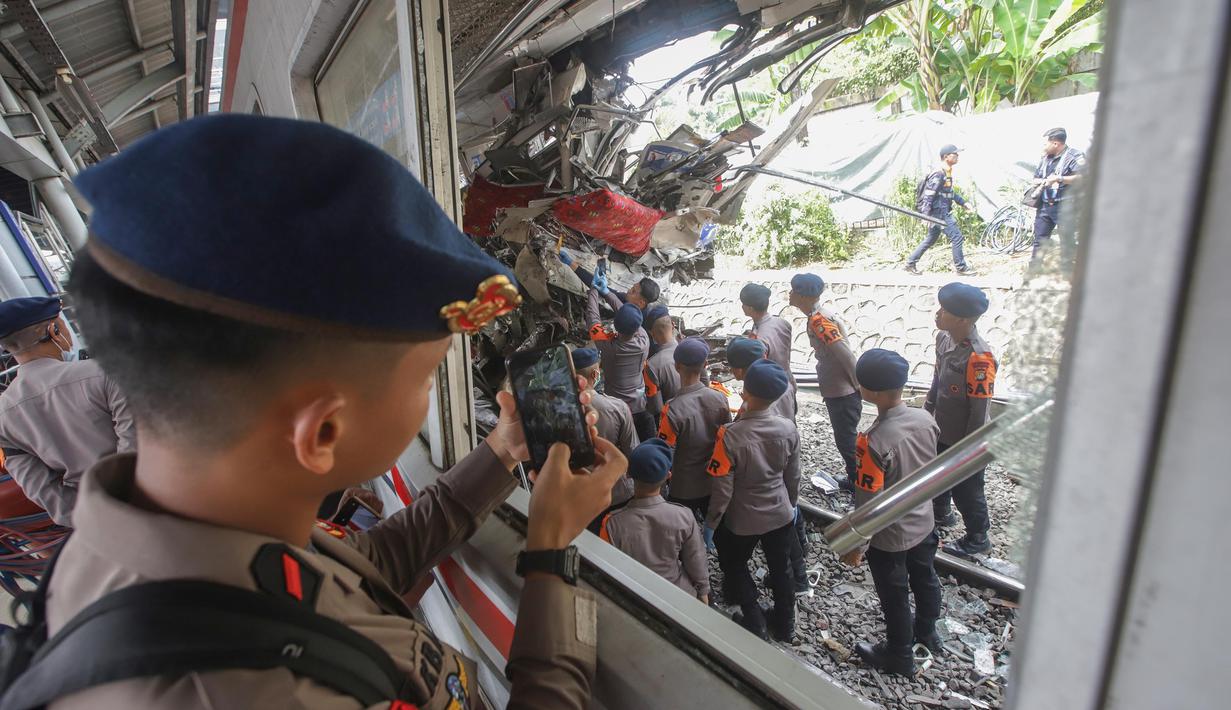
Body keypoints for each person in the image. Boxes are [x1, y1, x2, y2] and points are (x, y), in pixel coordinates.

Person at [30, 115, 629, 708]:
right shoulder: (262, 691)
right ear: (322, 432)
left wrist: (502, 450)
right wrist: (550, 551)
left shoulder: (189, 532)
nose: (430, 392)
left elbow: (355, 574)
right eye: (426, 377)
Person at [842, 349, 942, 678]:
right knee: (925, 577)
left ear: (869, 391)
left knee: (895, 594)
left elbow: (869, 502)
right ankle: (927, 631)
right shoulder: (925, 419)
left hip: (891, 536)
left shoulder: (873, 442)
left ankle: (899, 654)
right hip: (924, 522)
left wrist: (857, 544)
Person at [0, 296, 135, 526]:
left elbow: (42, 489)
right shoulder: (106, 373)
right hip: (158, 502)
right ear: (53, 330)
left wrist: (94, 521)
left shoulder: (4, 417)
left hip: (99, 520)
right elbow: (136, 443)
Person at [706, 360, 800, 642]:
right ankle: (785, 624)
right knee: (781, 567)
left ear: (745, 391)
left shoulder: (730, 435)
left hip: (743, 518)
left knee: (733, 562)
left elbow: (723, 489)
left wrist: (711, 523)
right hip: (780, 513)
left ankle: (754, 618)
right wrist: (792, 504)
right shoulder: (788, 428)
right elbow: (793, 475)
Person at [926, 283, 997, 557]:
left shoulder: (980, 358)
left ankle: (978, 538)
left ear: (963, 320)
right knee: (938, 472)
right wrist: (928, 411)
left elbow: (979, 411)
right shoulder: (944, 339)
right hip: (943, 426)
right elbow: (937, 379)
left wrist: (968, 451)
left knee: (967, 488)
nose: (938, 313)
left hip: (968, 436)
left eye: (944, 310)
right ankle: (941, 513)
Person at [599, 438, 709, 603]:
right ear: (668, 476)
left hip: (633, 598)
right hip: (678, 596)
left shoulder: (611, 524)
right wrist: (703, 593)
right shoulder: (684, 516)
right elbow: (696, 560)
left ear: (628, 475)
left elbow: (607, 567)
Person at [789, 274, 861, 493]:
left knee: (846, 439)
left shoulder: (820, 321)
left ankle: (859, 483)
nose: (790, 294)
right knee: (845, 437)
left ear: (802, 296)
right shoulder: (818, 316)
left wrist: (858, 386)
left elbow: (845, 354)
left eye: (793, 290)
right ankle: (857, 479)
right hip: (837, 387)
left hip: (842, 390)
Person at [658, 338, 731, 536]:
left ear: (677, 366)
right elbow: (727, 440)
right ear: (705, 365)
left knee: (679, 535)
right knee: (720, 535)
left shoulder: (672, 409)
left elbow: (665, 452)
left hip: (684, 486)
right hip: (714, 481)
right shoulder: (720, 398)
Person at [572, 347, 637, 525]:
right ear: (595, 374)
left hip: (580, 496)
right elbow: (632, 449)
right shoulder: (617, 407)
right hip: (617, 493)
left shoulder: (557, 411)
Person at [586, 288, 653, 441]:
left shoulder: (608, 346)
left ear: (615, 325)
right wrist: (607, 292)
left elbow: (593, 320)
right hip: (640, 405)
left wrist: (594, 291)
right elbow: (629, 315)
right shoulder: (644, 340)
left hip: (616, 408)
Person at [905, 144, 975, 276]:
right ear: (946, 157)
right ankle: (961, 268)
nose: (957, 156)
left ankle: (910, 263)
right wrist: (925, 215)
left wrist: (963, 203)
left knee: (931, 238)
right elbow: (929, 195)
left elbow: (949, 193)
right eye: (955, 154)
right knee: (957, 237)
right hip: (939, 212)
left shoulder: (946, 171)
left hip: (940, 210)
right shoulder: (939, 173)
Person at [739, 283, 796, 421]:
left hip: (770, 388)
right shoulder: (782, 323)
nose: (742, 306)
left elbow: (758, 368)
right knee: (788, 423)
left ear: (750, 308)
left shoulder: (759, 339)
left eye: (743, 304)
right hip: (787, 380)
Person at [1030, 127, 1086, 262]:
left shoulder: (1075, 156)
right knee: (1039, 241)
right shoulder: (1045, 158)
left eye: (1045, 143)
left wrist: (1059, 179)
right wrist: (1043, 181)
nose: (1043, 146)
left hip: (1065, 206)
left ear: (1055, 143)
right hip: (1045, 206)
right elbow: (1035, 178)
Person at [642, 305, 680, 424]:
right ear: (673, 325)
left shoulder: (652, 366)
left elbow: (655, 408)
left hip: (672, 423)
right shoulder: (692, 349)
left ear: (651, 334)